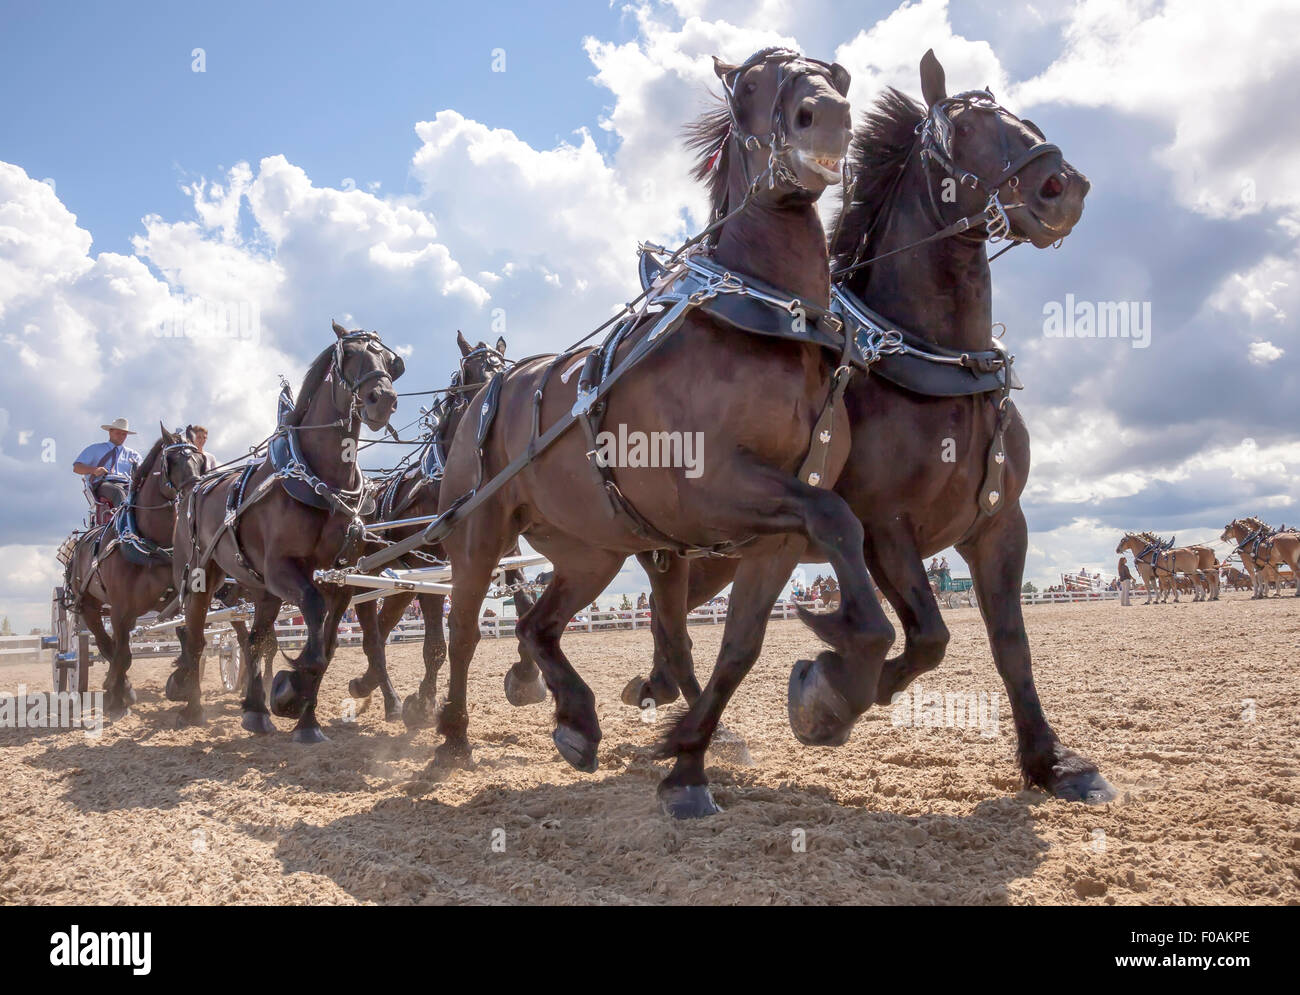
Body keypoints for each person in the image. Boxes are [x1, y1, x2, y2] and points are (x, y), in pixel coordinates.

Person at [73, 417, 142, 511]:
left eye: (124, 434)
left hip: (127, 485)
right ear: (110, 432)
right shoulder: (95, 449)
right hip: (104, 484)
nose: (121, 436)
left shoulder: (133, 455)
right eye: (118, 433)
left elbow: (142, 473)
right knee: (117, 492)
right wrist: (94, 470)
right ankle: (123, 521)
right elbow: (77, 468)